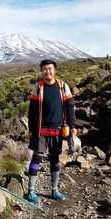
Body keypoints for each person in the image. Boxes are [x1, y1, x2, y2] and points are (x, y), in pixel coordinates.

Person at [26, 59, 77, 203]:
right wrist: (31, 129)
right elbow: (32, 111)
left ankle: (54, 189)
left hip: (58, 130)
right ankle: (31, 190)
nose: (47, 71)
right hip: (41, 130)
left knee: (54, 159)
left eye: (50, 69)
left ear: (54, 71)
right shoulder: (38, 88)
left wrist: (72, 126)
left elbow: (70, 107)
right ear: (42, 72)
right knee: (37, 157)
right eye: (44, 69)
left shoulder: (63, 87)